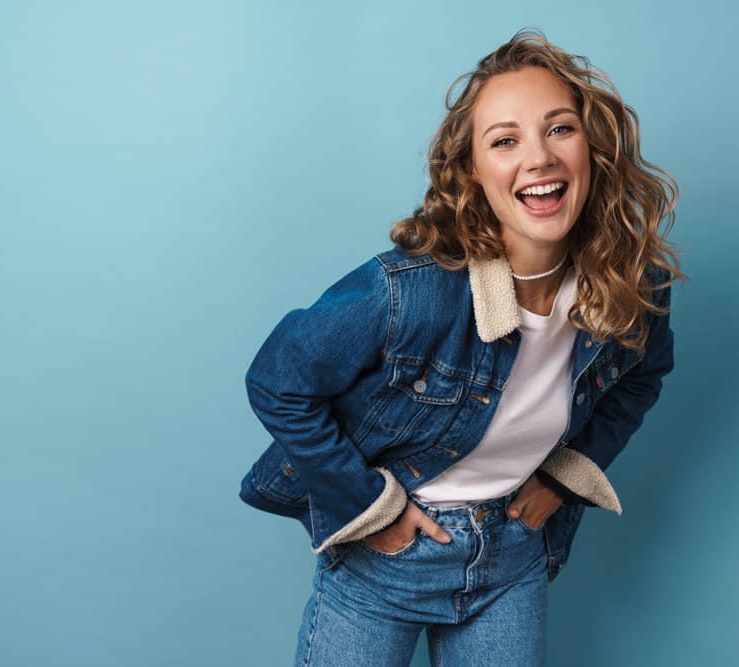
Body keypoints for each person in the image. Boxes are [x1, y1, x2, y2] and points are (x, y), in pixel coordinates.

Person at [239, 27, 687, 667]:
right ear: (473, 173)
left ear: (593, 147)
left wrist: (563, 479)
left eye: (559, 129)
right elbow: (277, 380)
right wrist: (373, 510)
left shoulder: (632, 283)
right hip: (385, 564)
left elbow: (644, 377)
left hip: (510, 558)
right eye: (505, 141)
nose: (539, 158)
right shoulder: (412, 290)